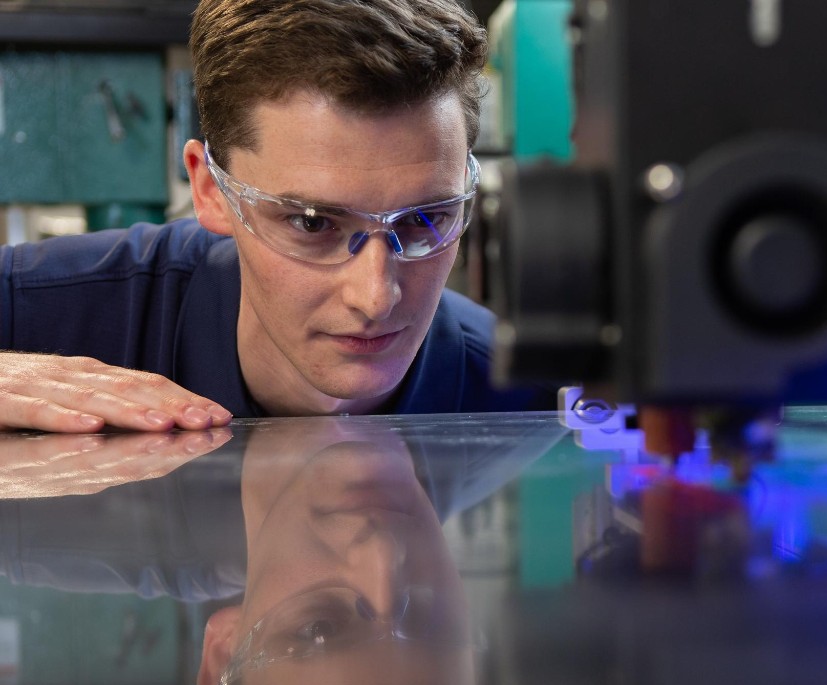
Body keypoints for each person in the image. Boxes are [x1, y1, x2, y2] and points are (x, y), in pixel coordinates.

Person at [0, 0, 545, 434]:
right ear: (211, 190)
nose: (376, 296)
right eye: (312, 222)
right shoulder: (50, 308)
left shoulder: (529, 396)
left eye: (424, 219)